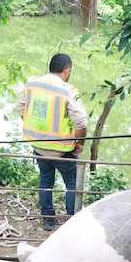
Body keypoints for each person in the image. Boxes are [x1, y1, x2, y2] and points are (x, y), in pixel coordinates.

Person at [16, 53, 88, 231]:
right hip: (63, 150)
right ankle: (72, 222)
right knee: (72, 184)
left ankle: (48, 220)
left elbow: (20, 108)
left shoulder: (31, 84)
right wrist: (80, 142)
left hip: (39, 147)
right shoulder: (68, 90)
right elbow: (82, 122)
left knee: (46, 181)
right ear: (67, 70)